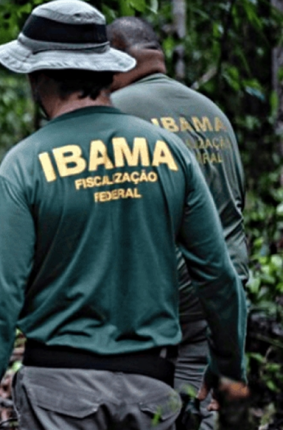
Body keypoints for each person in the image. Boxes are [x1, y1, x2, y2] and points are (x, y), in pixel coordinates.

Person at [0, 1, 248, 429]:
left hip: (56, 398)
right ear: (107, 72)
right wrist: (226, 371)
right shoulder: (171, 152)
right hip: (154, 394)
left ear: (38, 77)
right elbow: (219, 277)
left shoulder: (23, 165)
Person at [107, 17, 249, 429]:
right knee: (198, 411)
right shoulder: (214, 114)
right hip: (221, 299)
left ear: (112, 57)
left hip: (156, 307)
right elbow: (234, 206)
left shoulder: (114, 114)